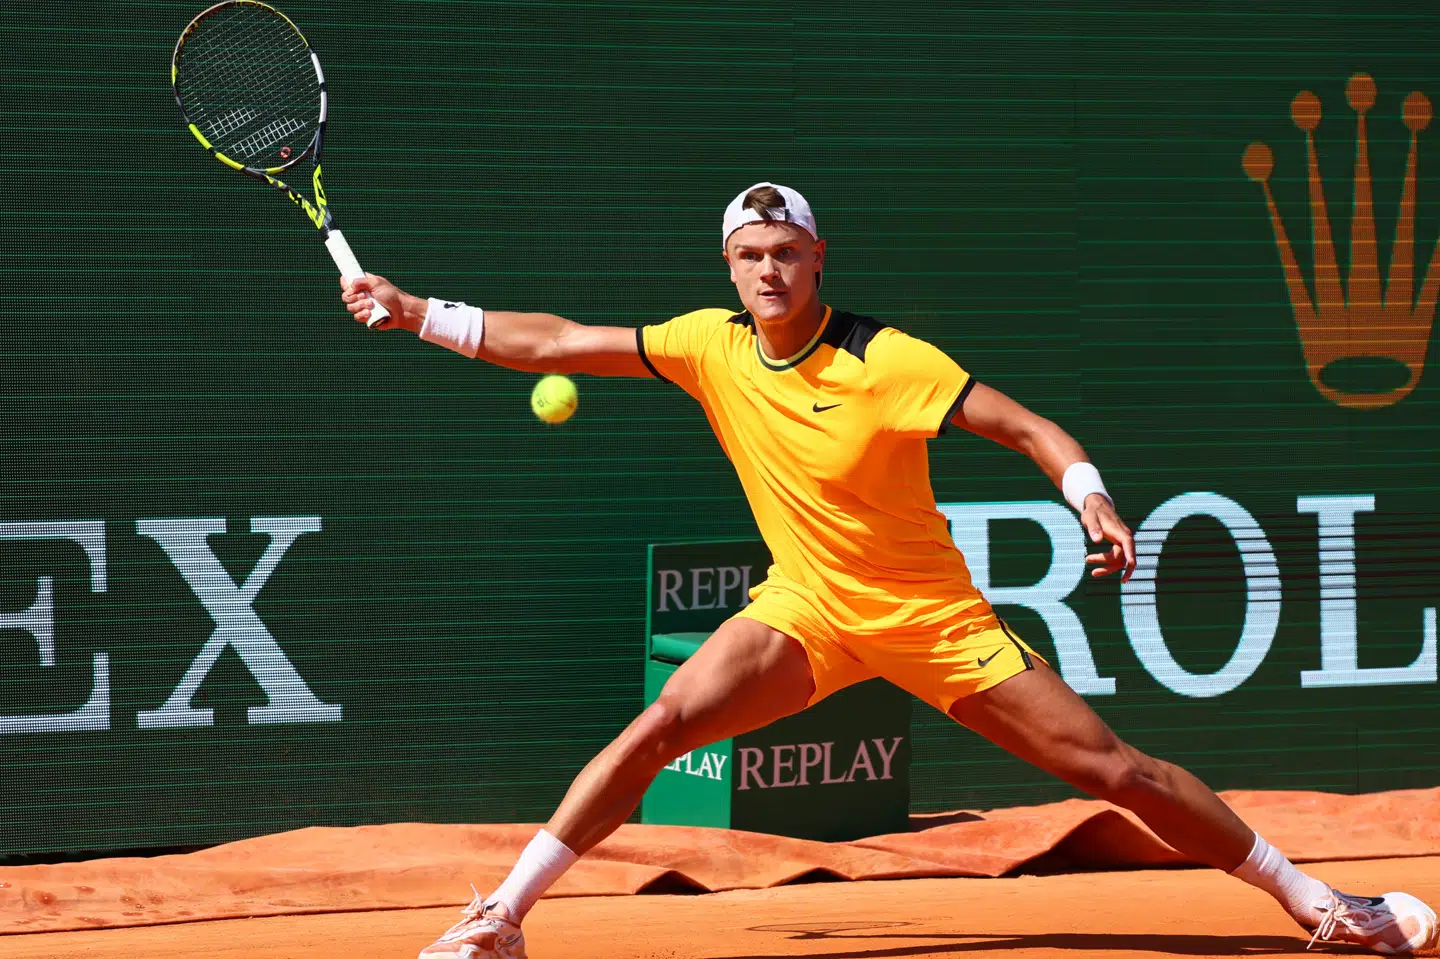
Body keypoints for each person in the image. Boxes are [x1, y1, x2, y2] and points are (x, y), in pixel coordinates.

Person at [340, 183, 1437, 959]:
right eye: (749, 255)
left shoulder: (887, 359)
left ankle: (1325, 904)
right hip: (807, 609)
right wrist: (415, 311)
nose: (768, 270)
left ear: (819, 259)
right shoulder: (706, 344)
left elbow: (1028, 426)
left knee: (1119, 773)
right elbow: (556, 340)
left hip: (931, 618)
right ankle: (502, 919)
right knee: (658, 724)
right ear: (729, 267)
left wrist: (1089, 493)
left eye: (786, 252)